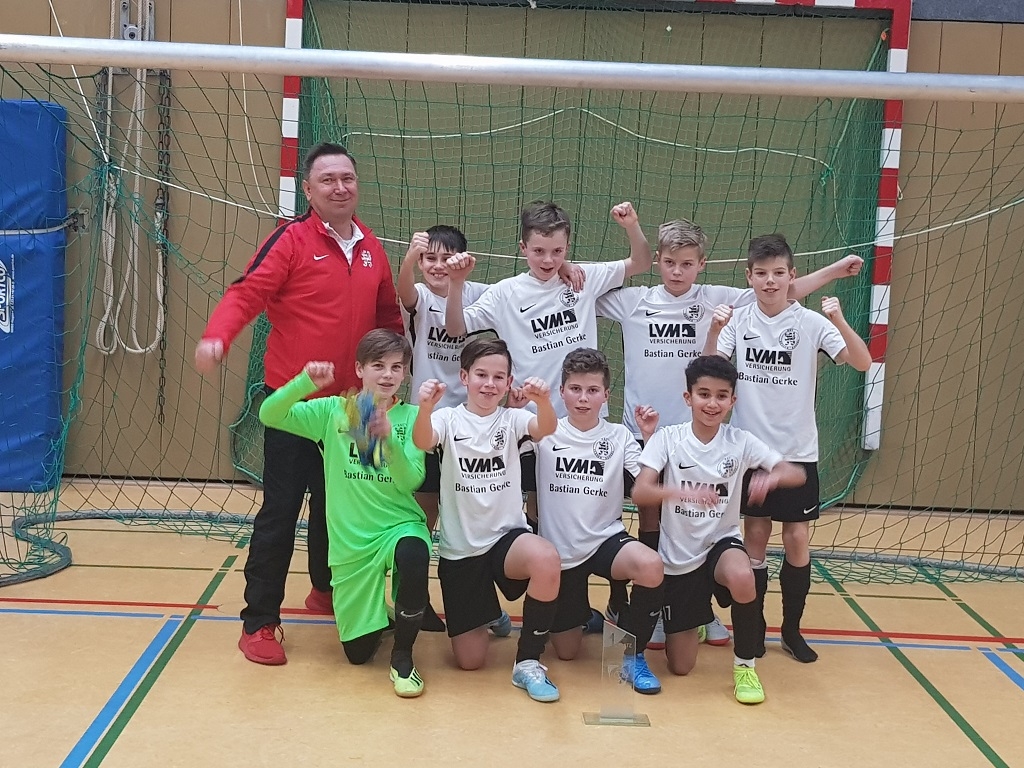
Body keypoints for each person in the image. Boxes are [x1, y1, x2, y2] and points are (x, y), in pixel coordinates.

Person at [597, 218, 865, 648]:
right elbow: (583, 294)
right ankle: (644, 607)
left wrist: (833, 272)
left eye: (687, 263)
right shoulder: (635, 300)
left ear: (702, 264)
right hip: (648, 431)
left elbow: (782, 289)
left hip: (709, 435)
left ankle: (703, 610)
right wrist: (568, 268)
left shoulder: (719, 300)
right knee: (652, 518)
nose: (678, 270)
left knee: (709, 526)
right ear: (659, 262)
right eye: (670, 262)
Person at [195, 141, 404, 665]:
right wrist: (218, 335)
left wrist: (390, 385)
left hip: (356, 409)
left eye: (347, 178)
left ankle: (329, 590)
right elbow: (246, 293)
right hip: (297, 409)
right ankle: (260, 622)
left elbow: (388, 321)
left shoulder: (372, 248)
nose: (340, 187)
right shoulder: (290, 240)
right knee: (281, 512)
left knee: (349, 509)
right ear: (308, 190)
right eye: (328, 180)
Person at [704, 233, 872, 664]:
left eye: (779, 273)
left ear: (791, 276)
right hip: (751, 453)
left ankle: (792, 630)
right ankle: (754, 626)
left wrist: (839, 320)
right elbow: (709, 370)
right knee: (755, 536)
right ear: (749, 277)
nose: (770, 281)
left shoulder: (811, 323)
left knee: (797, 538)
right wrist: (715, 329)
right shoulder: (739, 320)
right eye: (761, 273)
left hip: (797, 452)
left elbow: (863, 362)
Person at [258, 330, 430, 697]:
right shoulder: (332, 411)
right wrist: (304, 382)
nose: (388, 375)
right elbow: (269, 414)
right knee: (358, 654)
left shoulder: (413, 416)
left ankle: (403, 657)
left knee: (414, 554)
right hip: (352, 544)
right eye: (378, 365)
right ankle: (381, 615)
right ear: (359, 369)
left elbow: (411, 481)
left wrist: (388, 439)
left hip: (398, 526)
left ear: (405, 372)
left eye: (397, 367)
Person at [631, 355, 807, 704]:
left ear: (732, 400)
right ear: (688, 398)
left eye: (721, 396)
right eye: (704, 394)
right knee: (681, 667)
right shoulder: (668, 438)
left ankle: (745, 667)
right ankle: (697, 618)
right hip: (679, 557)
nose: (712, 403)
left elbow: (796, 473)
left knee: (742, 574)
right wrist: (684, 493)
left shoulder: (740, 441)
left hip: (720, 543)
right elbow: (640, 491)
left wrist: (771, 478)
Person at [412, 338, 563, 703]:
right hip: (462, 550)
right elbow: (422, 440)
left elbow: (545, 428)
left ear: (509, 383)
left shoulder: (512, 419)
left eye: (499, 377)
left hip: (506, 540)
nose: (489, 384)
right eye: (481, 375)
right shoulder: (448, 418)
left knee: (546, 558)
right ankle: (491, 613)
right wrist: (425, 408)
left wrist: (543, 401)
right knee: (470, 662)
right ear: (464, 377)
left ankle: (528, 662)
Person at [535, 348, 665, 694]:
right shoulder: (544, 433)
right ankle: (586, 617)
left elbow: (651, 487)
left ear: (606, 395)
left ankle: (633, 655)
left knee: (651, 565)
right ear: (561, 391)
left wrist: (649, 439)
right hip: (560, 552)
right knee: (567, 652)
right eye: (575, 389)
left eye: (592, 390)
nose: (583, 398)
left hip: (606, 541)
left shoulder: (619, 437)